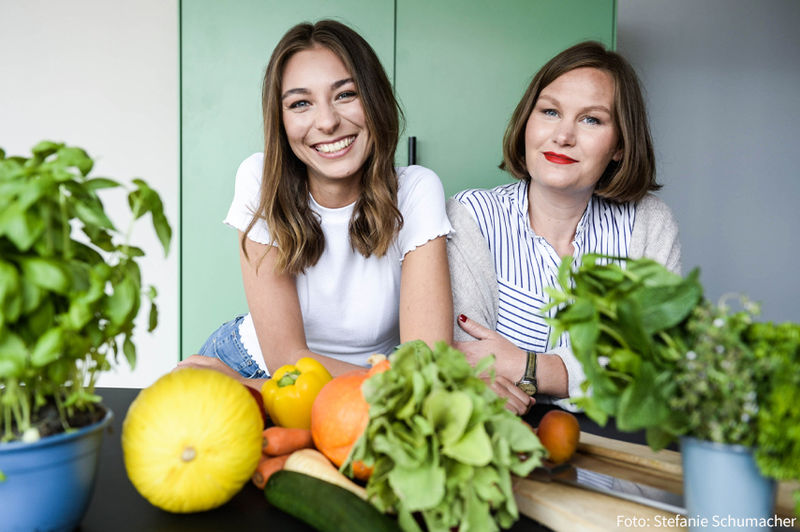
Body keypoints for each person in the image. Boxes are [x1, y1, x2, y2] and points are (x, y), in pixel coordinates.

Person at [179, 20, 453, 386]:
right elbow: (287, 360)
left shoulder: (417, 190)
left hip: (354, 389)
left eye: (346, 95)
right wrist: (406, 388)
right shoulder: (260, 179)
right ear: (280, 120)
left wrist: (249, 390)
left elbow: (428, 363)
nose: (327, 122)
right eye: (301, 103)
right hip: (256, 369)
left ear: (376, 100)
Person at [447, 41, 681, 415]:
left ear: (619, 145)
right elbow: (469, 360)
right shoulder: (472, 215)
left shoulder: (648, 224)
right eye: (550, 111)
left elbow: (654, 370)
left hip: (617, 457)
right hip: (501, 444)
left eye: (592, 119)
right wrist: (590, 372)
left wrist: (529, 367)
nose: (563, 135)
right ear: (528, 120)